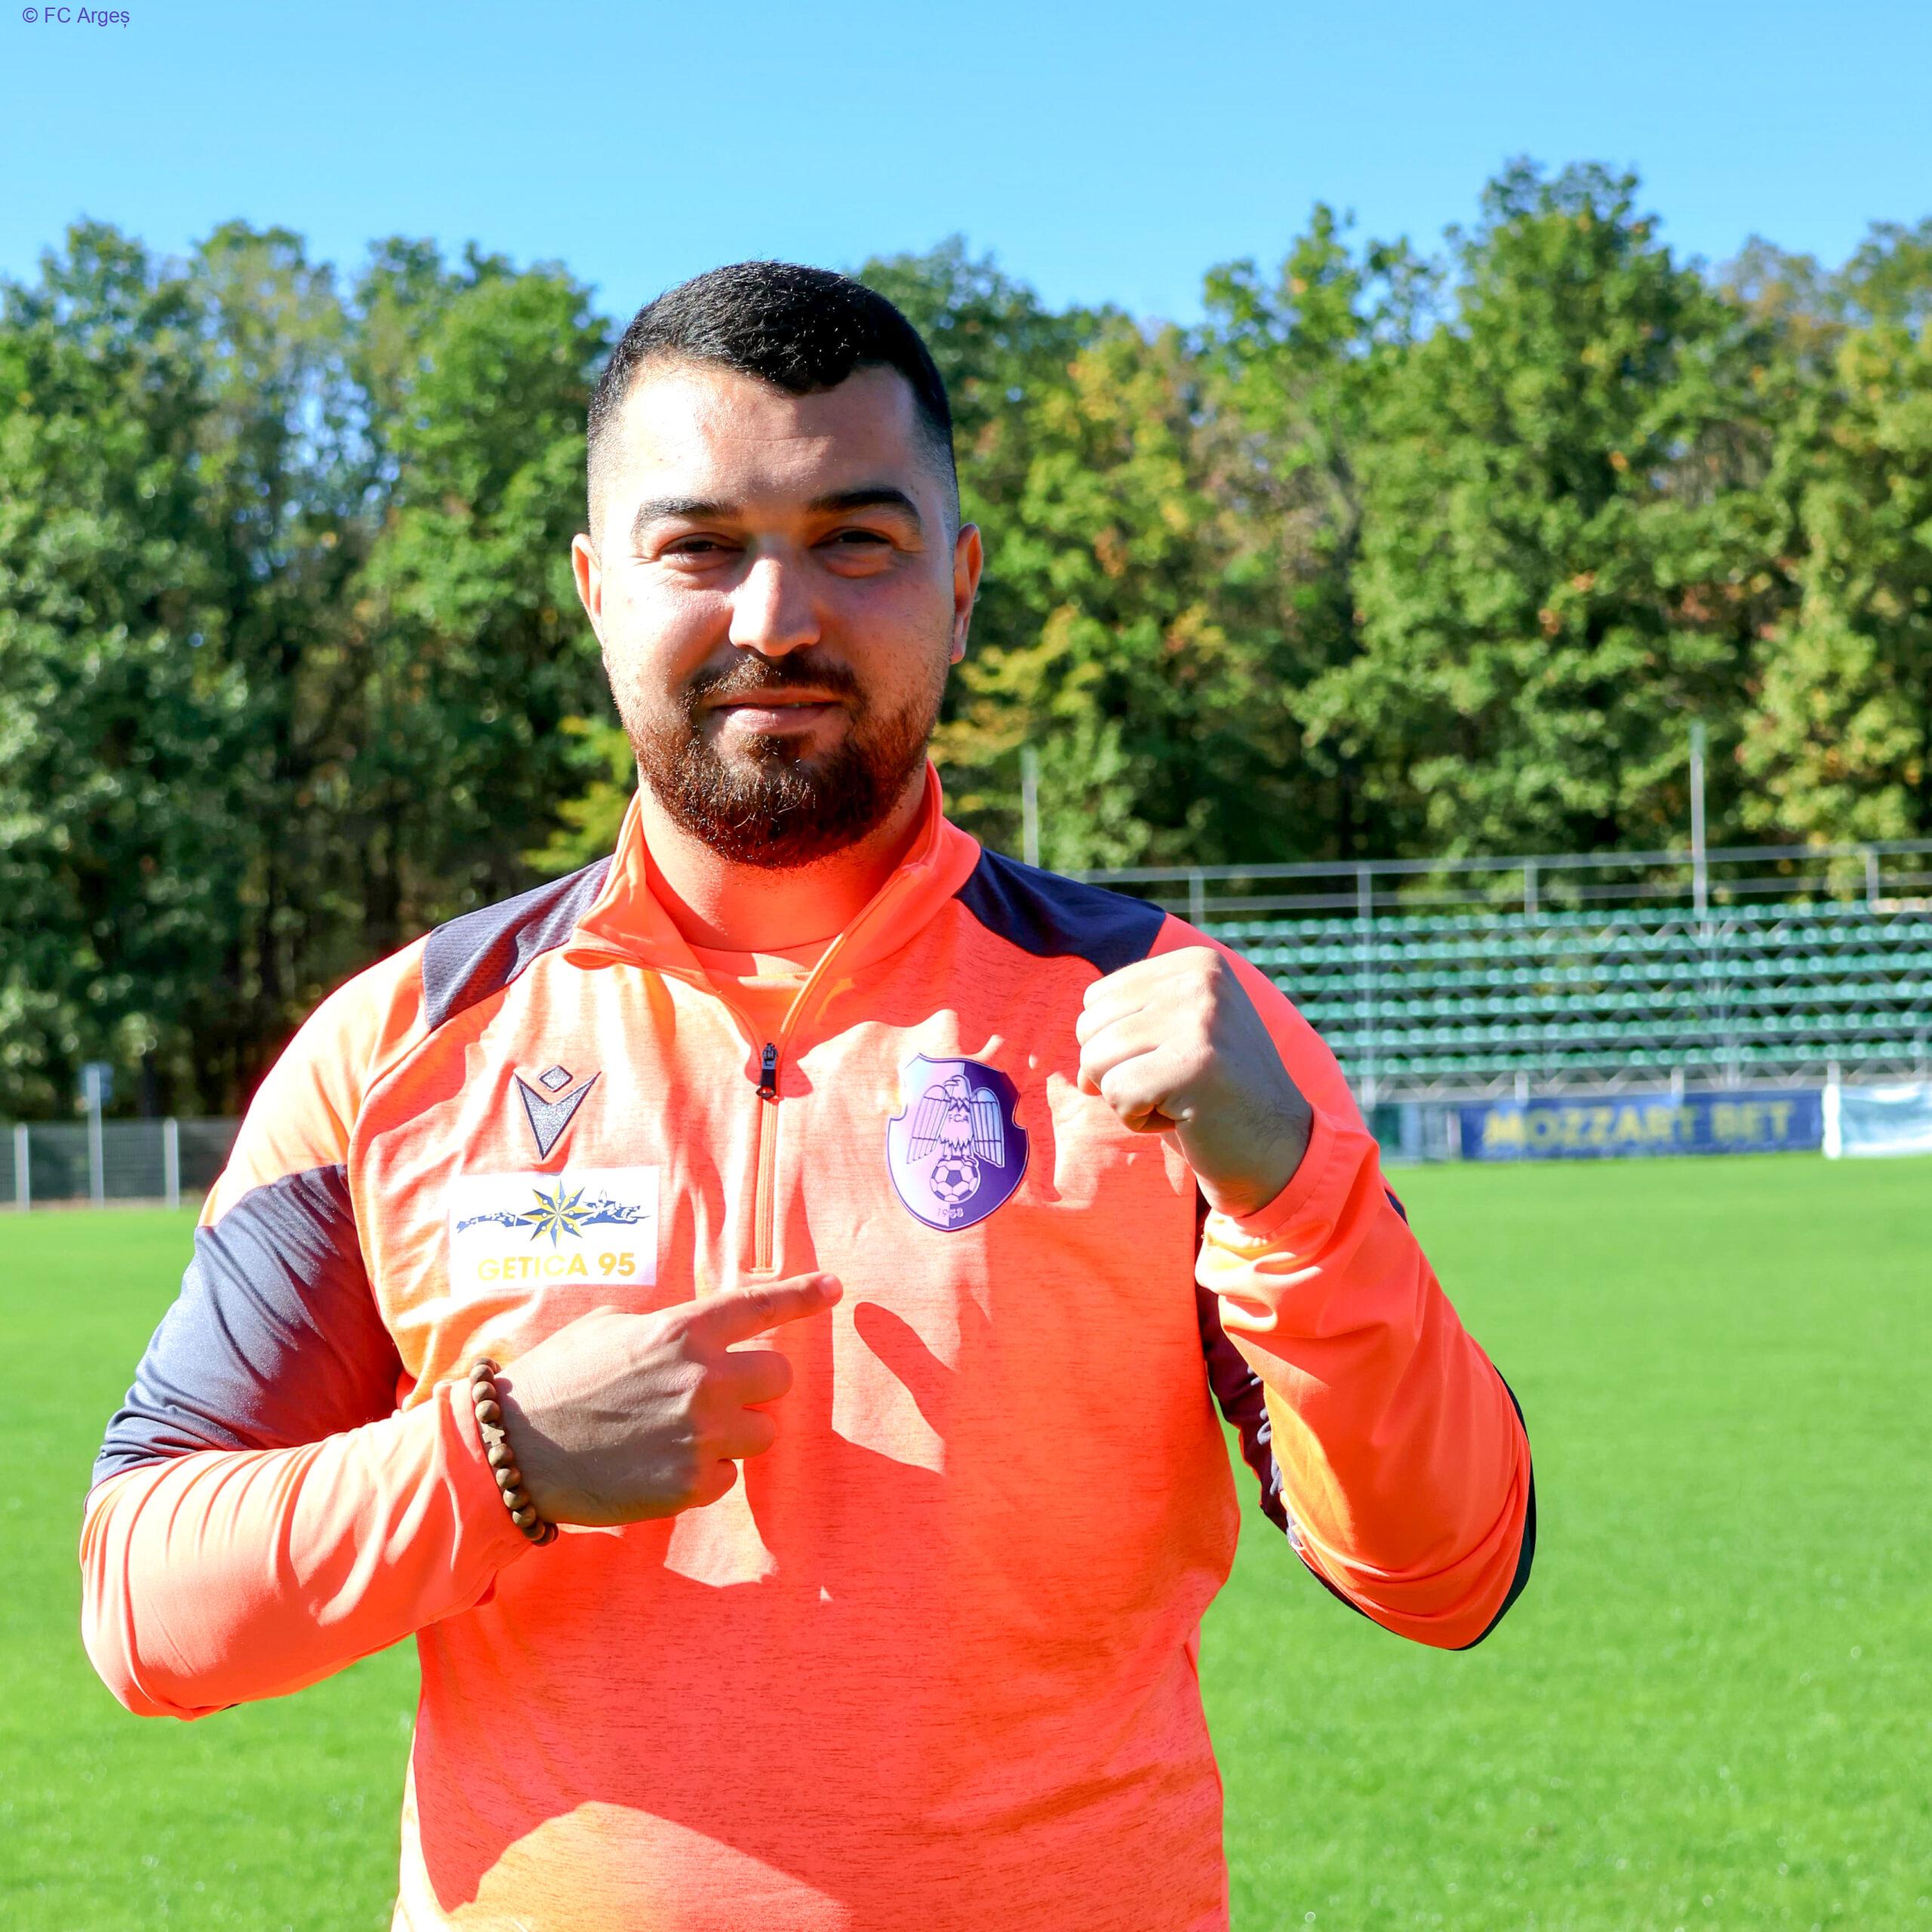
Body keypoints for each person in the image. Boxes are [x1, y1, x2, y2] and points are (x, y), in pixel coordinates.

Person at [80, 263, 1534, 1931]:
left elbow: (1445, 1568)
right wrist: (501, 1458)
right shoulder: (401, 1042)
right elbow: (146, 1603)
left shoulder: (1173, 1018)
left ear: (960, 585)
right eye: (700, 547)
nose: (776, 616)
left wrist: (1292, 1196)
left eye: (857, 539)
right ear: (595, 591)